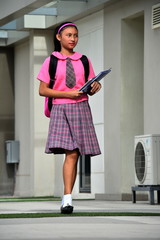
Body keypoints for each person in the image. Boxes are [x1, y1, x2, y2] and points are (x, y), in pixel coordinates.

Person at [37, 22, 101, 214]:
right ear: (59, 37)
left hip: (81, 108)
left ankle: (67, 199)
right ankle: (67, 199)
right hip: (60, 109)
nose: (73, 39)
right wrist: (67, 95)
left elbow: (90, 85)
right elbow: (42, 90)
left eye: (75, 35)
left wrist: (96, 87)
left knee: (74, 154)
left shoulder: (84, 60)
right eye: (69, 35)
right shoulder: (51, 61)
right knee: (70, 152)